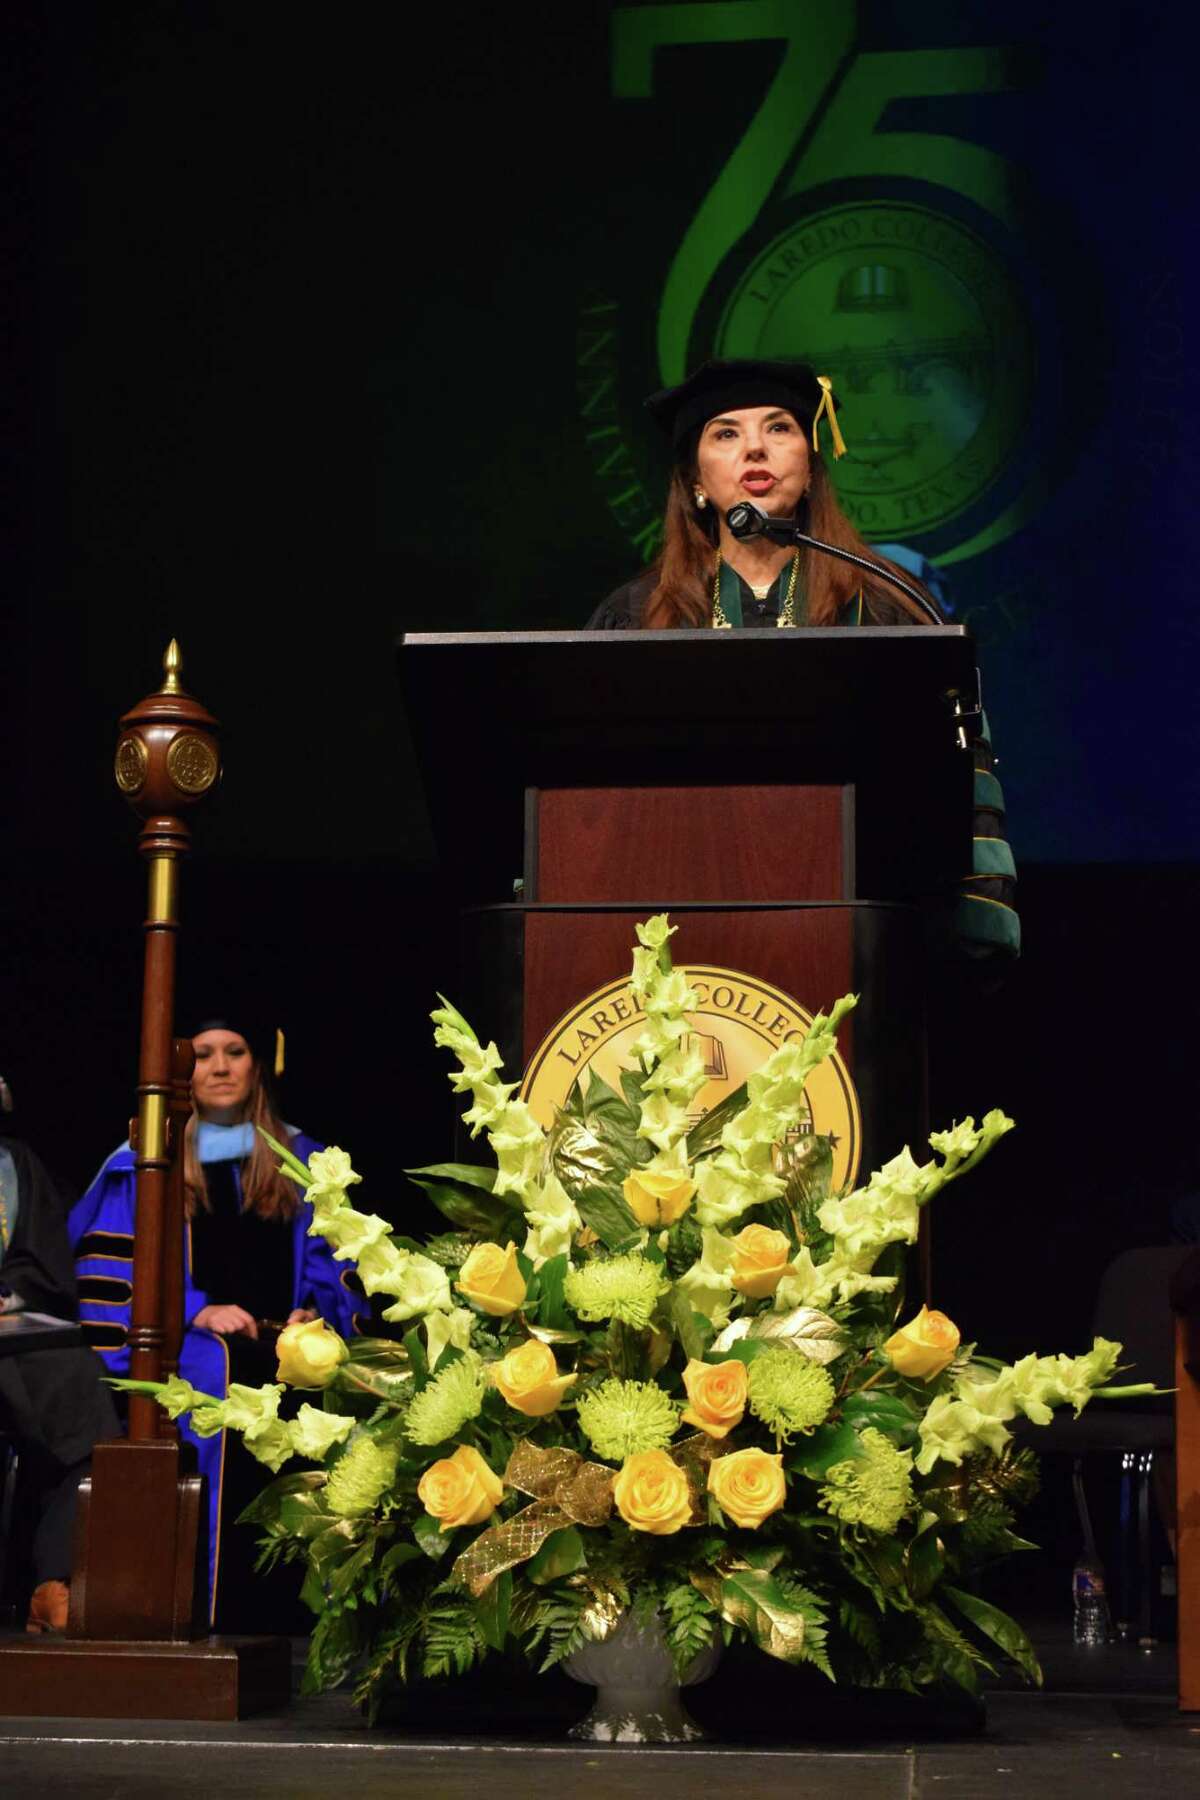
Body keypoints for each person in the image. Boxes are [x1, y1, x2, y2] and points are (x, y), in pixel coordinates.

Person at [587, 358, 1018, 957]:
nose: (755, 449)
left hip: (868, 932)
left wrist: (972, 930)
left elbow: (963, 775)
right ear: (695, 483)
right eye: (727, 433)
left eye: (780, 428)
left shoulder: (890, 605)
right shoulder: (634, 617)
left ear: (812, 470)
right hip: (678, 934)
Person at [69, 1009, 365, 1627]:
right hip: (191, 1346)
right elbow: (112, 1275)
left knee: (332, 1387)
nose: (220, 1067)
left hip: (286, 1343)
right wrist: (196, 1309)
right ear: (181, 1068)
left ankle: (318, 1617)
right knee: (213, 1379)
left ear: (257, 1065)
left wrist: (311, 1310)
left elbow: (338, 1261)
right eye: (203, 1054)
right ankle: (212, 1604)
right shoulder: (144, 1162)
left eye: (234, 1051)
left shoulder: (301, 1158)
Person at [0, 1131, 119, 1632]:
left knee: (79, 1390)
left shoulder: (13, 1162)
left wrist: (9, 1293)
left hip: (7, 1342)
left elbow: (37, 1264)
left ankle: (52, 1583)